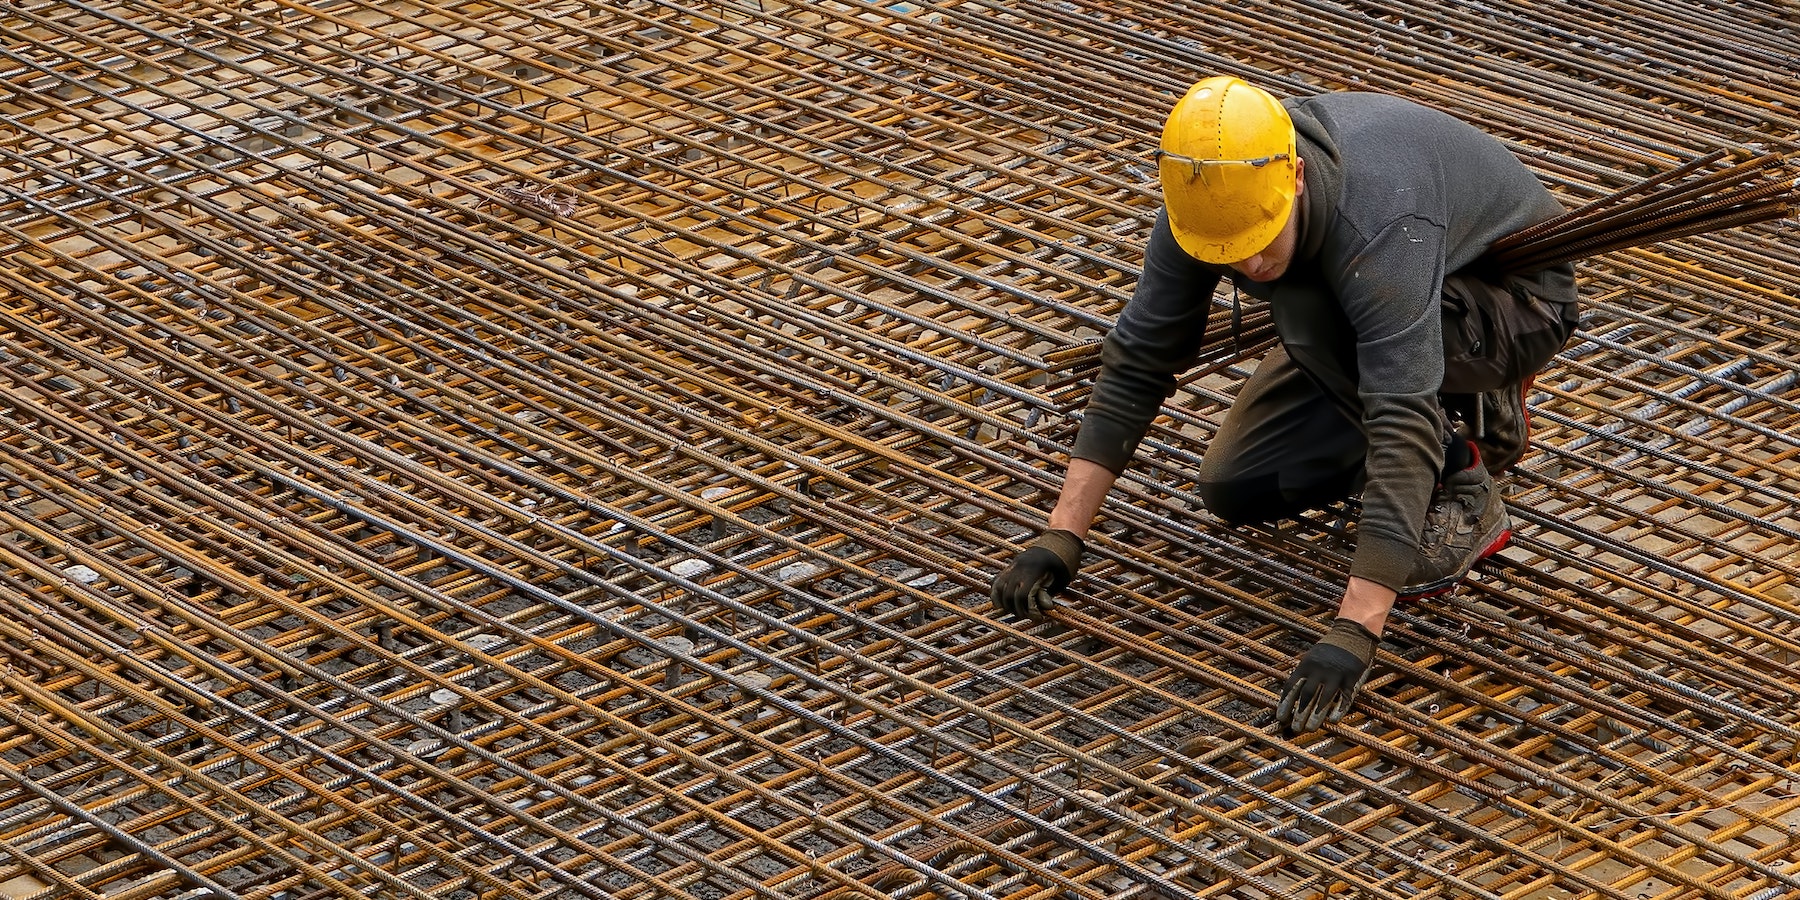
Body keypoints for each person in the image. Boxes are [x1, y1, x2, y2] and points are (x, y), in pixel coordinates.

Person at [990, 76, 1579, 736]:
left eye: (1259, 239)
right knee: (1237, 486)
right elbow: (1139, 357)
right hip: (1366, 307)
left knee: (1306, 306)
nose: (1247, 262)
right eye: (1229, 254)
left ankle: (1465, 471)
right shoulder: (1205, 199)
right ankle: (1437, 399)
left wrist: (1354, 631)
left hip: (1510, 302)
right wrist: (1061, 533)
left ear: (1295, 177)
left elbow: (1399, 415)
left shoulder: (1378, 219)